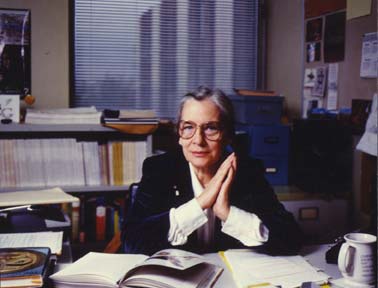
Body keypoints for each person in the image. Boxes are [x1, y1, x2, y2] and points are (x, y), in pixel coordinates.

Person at [122, 86, 303, 255]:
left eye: (210, 128)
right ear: (179, 135)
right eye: (188, 127)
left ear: (227, 136)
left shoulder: (247, 171)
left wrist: (227, 213)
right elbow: (131, 243)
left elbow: (291, 238)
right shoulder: (159, 169)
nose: (198, 140)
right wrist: (199, 204)